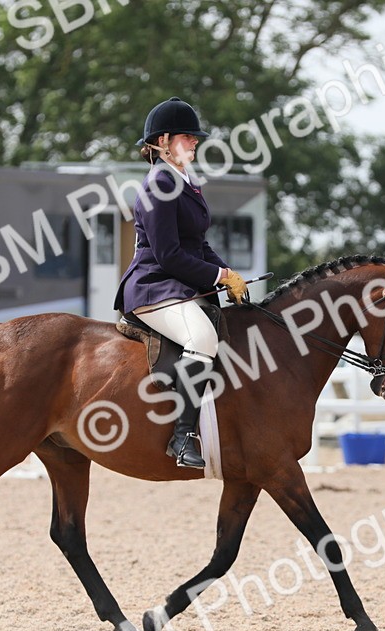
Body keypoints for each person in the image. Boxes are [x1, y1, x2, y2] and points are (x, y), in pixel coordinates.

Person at [113, 97, 248, 469]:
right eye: (188, 137)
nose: (195, 142)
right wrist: (218, 277)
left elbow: (199, 245)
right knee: (202, 338)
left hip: (179, 286)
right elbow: (169, 254)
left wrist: (229, 273)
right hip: (153, 285)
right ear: (163, 141)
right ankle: (183, 436)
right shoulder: (159, 184)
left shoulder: (187, 182)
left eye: (195, 137)